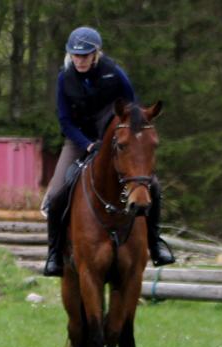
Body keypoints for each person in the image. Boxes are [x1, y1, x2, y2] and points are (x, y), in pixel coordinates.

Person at [42, 26, 175, 277]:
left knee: (153, 186)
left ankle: (155, 244)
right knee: (58, 192)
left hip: (115, 139)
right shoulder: (64, 78)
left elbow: (133, 112)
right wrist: (87, 144)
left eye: (85, 55)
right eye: (75, 55)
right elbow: (65, 120)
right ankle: (54, 253)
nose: (79, 60)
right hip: (78, 140)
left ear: (96, 54)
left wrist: (120, 141)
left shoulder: (114, 74)